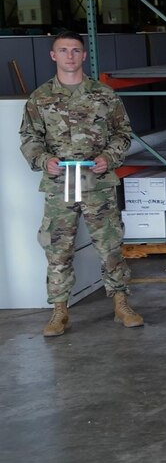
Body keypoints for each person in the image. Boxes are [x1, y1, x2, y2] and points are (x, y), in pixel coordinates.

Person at [18, 31, 142, 337]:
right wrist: (43, 159)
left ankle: (121, 303)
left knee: (109, 244)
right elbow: (29, 137)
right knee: (57, 247)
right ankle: (59, 310)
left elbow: (123, 133)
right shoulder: (40, 98)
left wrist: (109, 157)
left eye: (75, 50)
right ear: (53, 55)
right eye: (63, 50)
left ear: (84, 55)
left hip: (95, 179)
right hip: (60, 181)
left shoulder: (104, 95)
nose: (70, 56)